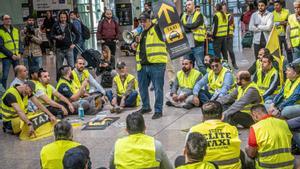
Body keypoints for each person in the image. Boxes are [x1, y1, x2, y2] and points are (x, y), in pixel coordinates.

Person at [132, 12, 167, 119]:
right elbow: (141, 47)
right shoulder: (141, 32)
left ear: (150, 20)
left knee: (158, 88)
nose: (143, 23)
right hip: (142, 65)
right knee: (142, 88)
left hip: (156, 64)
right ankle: (146, 106)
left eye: (145, 21)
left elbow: (163, 20)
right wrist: (135, 44)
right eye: (141, 21)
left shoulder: (157, 28)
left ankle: (158, 110)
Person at [188, 101, 242, 169]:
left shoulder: (194, 130)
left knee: (180, 160)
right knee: (241, 153)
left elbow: (189, 156)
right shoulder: (232, 129)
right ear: (222, 116)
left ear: (202, 117)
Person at [246, 104, 294, 168]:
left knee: (247, 150)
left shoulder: (255, 127)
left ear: (255, 115)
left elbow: (251, 154)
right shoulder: (283, 123)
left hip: (266, 167)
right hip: (289, 166)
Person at [181, 0, 206, 74]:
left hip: (197, 45)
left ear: (193, 6)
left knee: (201, 66)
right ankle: (190, 83)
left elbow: (195, 25)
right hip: (187, 46)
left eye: (189, 5)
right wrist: (189, 28)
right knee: (187, 67)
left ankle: (208, 83)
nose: (187, 6)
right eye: (186, 5)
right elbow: (181, 27)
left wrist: (186, 27)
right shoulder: (184, 16)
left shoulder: (199, 15)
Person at [51, 10, 80, 76]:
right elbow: (51, 35)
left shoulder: (70, 25)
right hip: (59, 50)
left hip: (69, 49)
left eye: (64, 17)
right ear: (59, 18)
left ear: (67, 17)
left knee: (72, 66)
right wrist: (56, 37)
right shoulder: (55, 25)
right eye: (61, 17)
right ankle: (59, 81)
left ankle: (73, 81)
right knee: (59, 67)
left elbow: (78, 34)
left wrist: (74, 43)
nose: (63, 19)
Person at [0, 14, 21, 89]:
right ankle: (2, 92)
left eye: (9, 18)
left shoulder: (15, 30)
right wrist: (11, 55)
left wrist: (19, 53)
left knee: (18, 75)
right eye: (6, 18)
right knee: (5, 76)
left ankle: (18, 90)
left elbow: (19, 42)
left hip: (16, 56)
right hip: (6, 57)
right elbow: (1, 46)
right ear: (2, 20)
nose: (8, 20)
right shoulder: (0, 31)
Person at [222, 3, 238, 69]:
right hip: (222, 35)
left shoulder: (230, 15)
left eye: (224, 8)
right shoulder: (220, 16)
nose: (223, 10)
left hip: (229, 35)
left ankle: (234, 63)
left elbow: (228, 24)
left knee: (230, 50)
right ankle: (226, 65)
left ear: (226, 9)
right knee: (224, 51)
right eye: (222, 9)